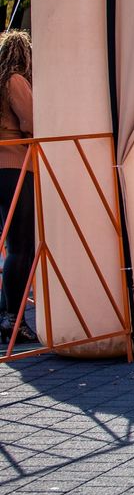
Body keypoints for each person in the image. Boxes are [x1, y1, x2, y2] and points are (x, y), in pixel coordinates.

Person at [0, 31, 35, 344]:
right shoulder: (14, 81)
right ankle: (14, 320)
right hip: (15, 167)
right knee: (21, 247)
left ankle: (6, 316)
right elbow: (31, 122)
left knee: (11, 247)